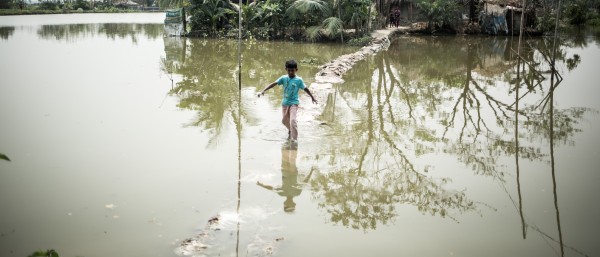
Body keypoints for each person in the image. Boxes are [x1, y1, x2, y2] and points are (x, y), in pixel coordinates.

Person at [257, 60, 318, 143]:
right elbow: (273, 83)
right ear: (286, 69)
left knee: (293, 120)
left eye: (292, 70)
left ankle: (294, 140)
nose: (290, 72)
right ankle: (290, 130)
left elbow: (305, 88)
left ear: (296, 70)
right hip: (285, 103)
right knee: (284, 121)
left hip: (294, 103)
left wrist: (312, 97)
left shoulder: (299, 80)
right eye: (289, 70)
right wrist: (263, 90)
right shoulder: (283, 78)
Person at [256, 144, 313, 212]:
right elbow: (304, 182)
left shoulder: (294, 193)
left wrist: (311, 172)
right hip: (287, 171)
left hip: (289, 172)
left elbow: (305, 182)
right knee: (289, 157)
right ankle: (290, 144)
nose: (284, 203)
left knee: (290, 158)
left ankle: (291, 144)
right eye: (286, 205)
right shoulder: (284, 193)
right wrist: (261, 185)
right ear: (287, 203)